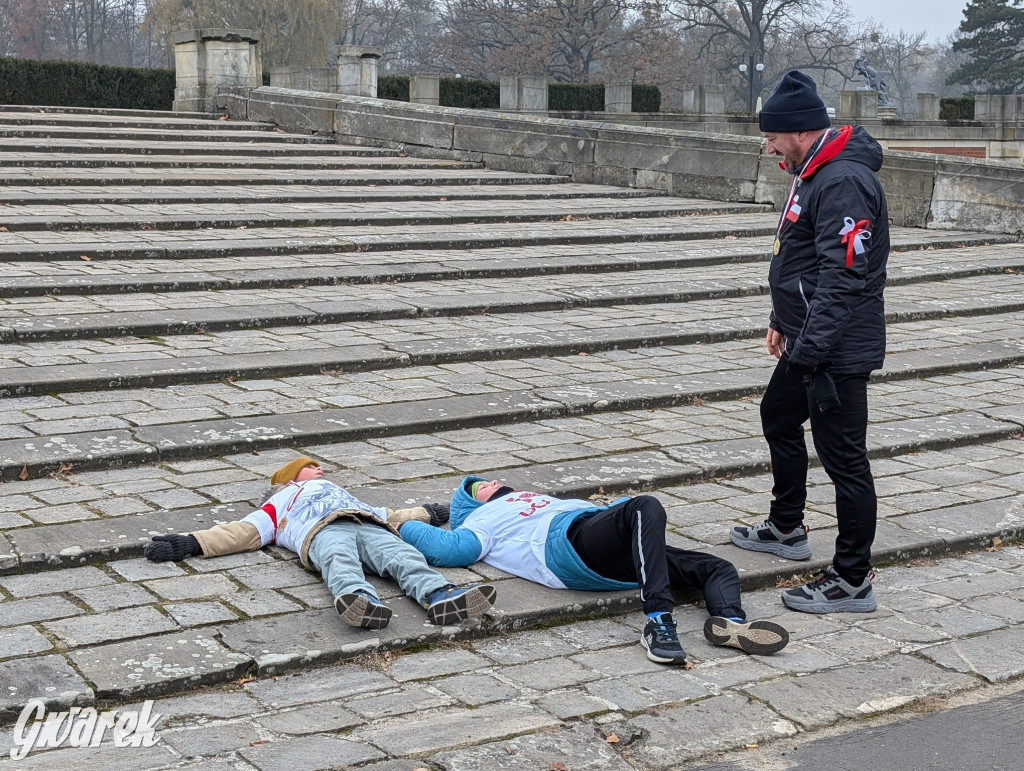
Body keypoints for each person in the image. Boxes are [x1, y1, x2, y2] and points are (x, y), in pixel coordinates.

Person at [729, 70, 889, 614]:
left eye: (771, 136)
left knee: (845, 459)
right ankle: (786, 526)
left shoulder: (842, 180)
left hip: (835, 348)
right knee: (777, 415)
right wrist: (783, 316)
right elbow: (796, 252)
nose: (767, 145)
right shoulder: (811, 169)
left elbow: (844, 275)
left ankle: (852, 580)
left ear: (798, 131)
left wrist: (811, 349)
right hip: (808, 337)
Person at [399, 476, 789, 665]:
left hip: (608, 543)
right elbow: (448, 550)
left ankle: (731, 622)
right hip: (568, 547)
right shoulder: (481, 520)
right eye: (480, 485)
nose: (492, 482)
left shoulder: (533, 498)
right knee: (645, 505)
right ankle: (657, 620)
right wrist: (402, 525)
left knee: (716, 567)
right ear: (470, 503)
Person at [143, 457, 496, 629]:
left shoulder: (339, 491)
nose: (320, 470)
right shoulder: (281, 501)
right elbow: (243, 531)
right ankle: (359, 600)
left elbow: (385, 513)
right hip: (324, 532)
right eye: (311, 466)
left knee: (404, 555)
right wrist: (188, 543)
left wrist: (427, 512)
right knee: (338, 560)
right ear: (290, 477)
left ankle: (439, 595)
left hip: (368, 525)